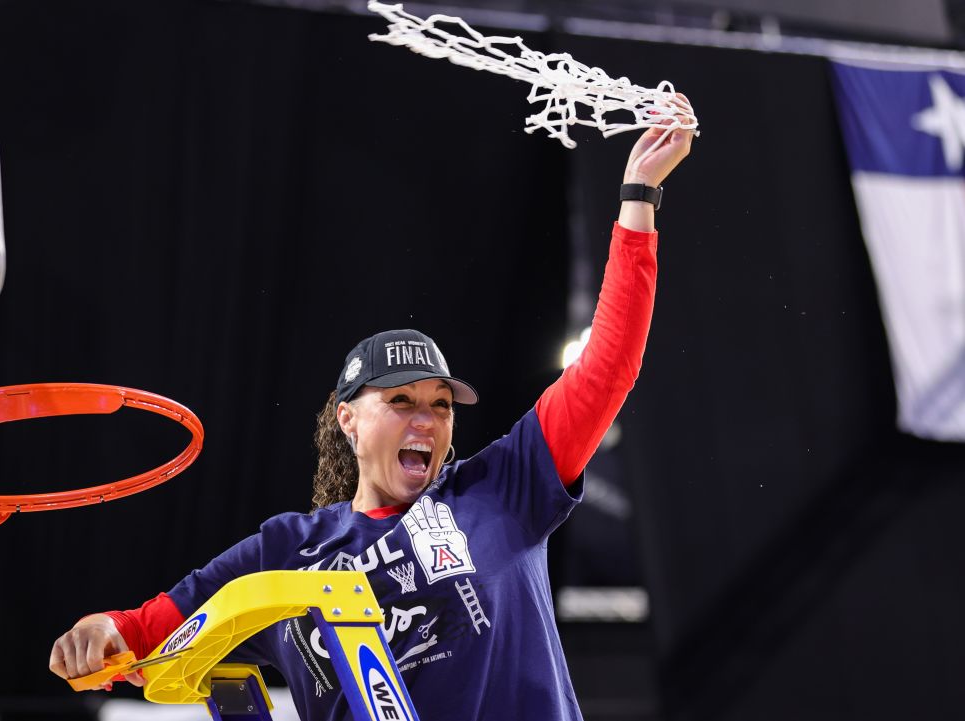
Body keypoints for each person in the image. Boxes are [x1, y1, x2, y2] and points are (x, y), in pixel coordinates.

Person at [50, 111, 694, 720]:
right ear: (347, 420)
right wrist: (100, 633)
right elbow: (142, 632)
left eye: (441, 405)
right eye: (401, 402)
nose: (429, 420)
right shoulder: (286, 550)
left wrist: (638, 198)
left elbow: (606, 368)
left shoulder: (502, 487)